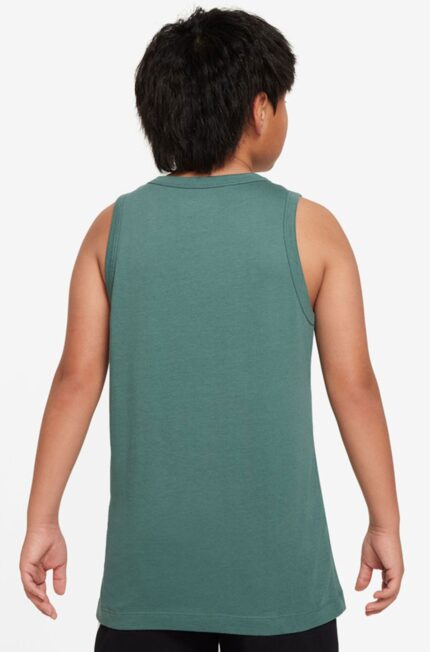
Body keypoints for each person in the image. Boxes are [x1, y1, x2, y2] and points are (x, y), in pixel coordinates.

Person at [19, 6, 404, 652]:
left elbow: (75, 379)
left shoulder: (112, 229)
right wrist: (384, 521)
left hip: (149, 583)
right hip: (283, 583)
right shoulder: (313, 230)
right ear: (261, 110)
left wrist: (42, 519)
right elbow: (355, 387)